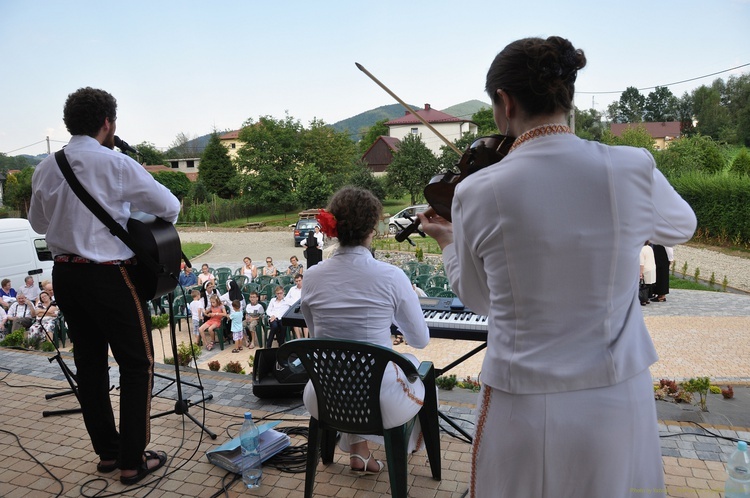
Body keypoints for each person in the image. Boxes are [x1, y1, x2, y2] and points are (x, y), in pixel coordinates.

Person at [418, 37, 697, 498]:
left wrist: (449, 241)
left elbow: (478, 297)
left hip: (522, 401)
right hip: (618, 396)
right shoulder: (632, 166)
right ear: (567, 93)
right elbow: (680, 225)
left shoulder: (477, 191)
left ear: (505, 102)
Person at [28, 87, 177, 484]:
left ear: (68, 123)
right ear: (107, 122)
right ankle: (133, 460)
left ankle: (108, 454)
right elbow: (171, 207)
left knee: (89, 366)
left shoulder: (45, 167)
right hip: (109, 275)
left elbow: (39, 225)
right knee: (138, 363)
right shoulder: (116, 164)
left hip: (66, 275)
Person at [301, 186, 430, 474]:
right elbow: (420, 340)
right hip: (376, 401)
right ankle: (405, 450)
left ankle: (359, 453)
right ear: (373, 228)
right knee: (413, 368)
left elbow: (316, 336)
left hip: (322, 396)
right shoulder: (391, 276)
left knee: (350, 372)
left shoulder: (311, 276)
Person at [283, 273, 307, 339]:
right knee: (294, 320)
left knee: (305, 319)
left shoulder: (306, 289)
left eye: (299, 281)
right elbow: (286, 299)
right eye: (296, 281)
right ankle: (299, 338)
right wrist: (292, 304)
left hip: (304, 308)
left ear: (302, 280)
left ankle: (306, 338)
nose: (298, 282)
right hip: (294, 308)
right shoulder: (292, 289)